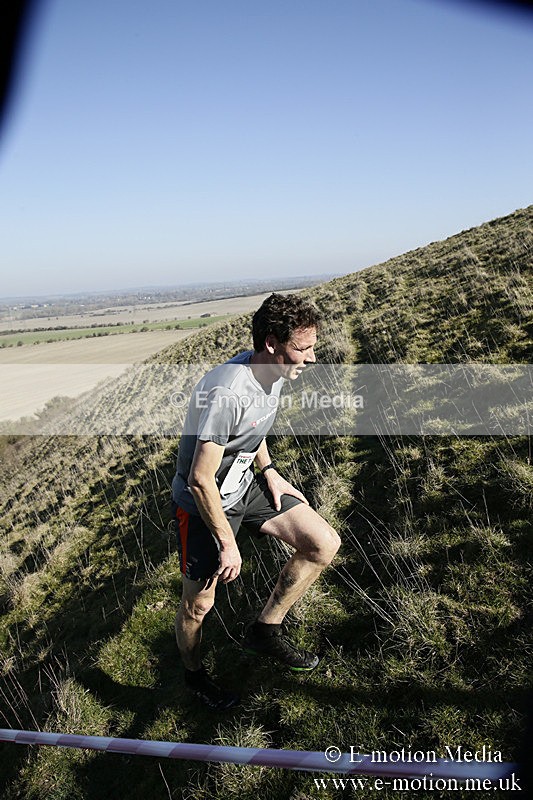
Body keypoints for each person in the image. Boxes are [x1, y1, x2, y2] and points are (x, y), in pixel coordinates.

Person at [171, 293, 341, 710]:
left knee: (323, 544)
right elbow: (199, 478)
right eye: (303, 349)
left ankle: (264, 632)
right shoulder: (227, 391)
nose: (311, 357)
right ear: (271, 343)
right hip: (205, 503)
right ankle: (194, 678)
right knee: (199, 605)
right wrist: (228, 543)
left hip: (245, 484)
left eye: (312, 346)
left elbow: (253, 429)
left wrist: (269, 470)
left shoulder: (277, 371)